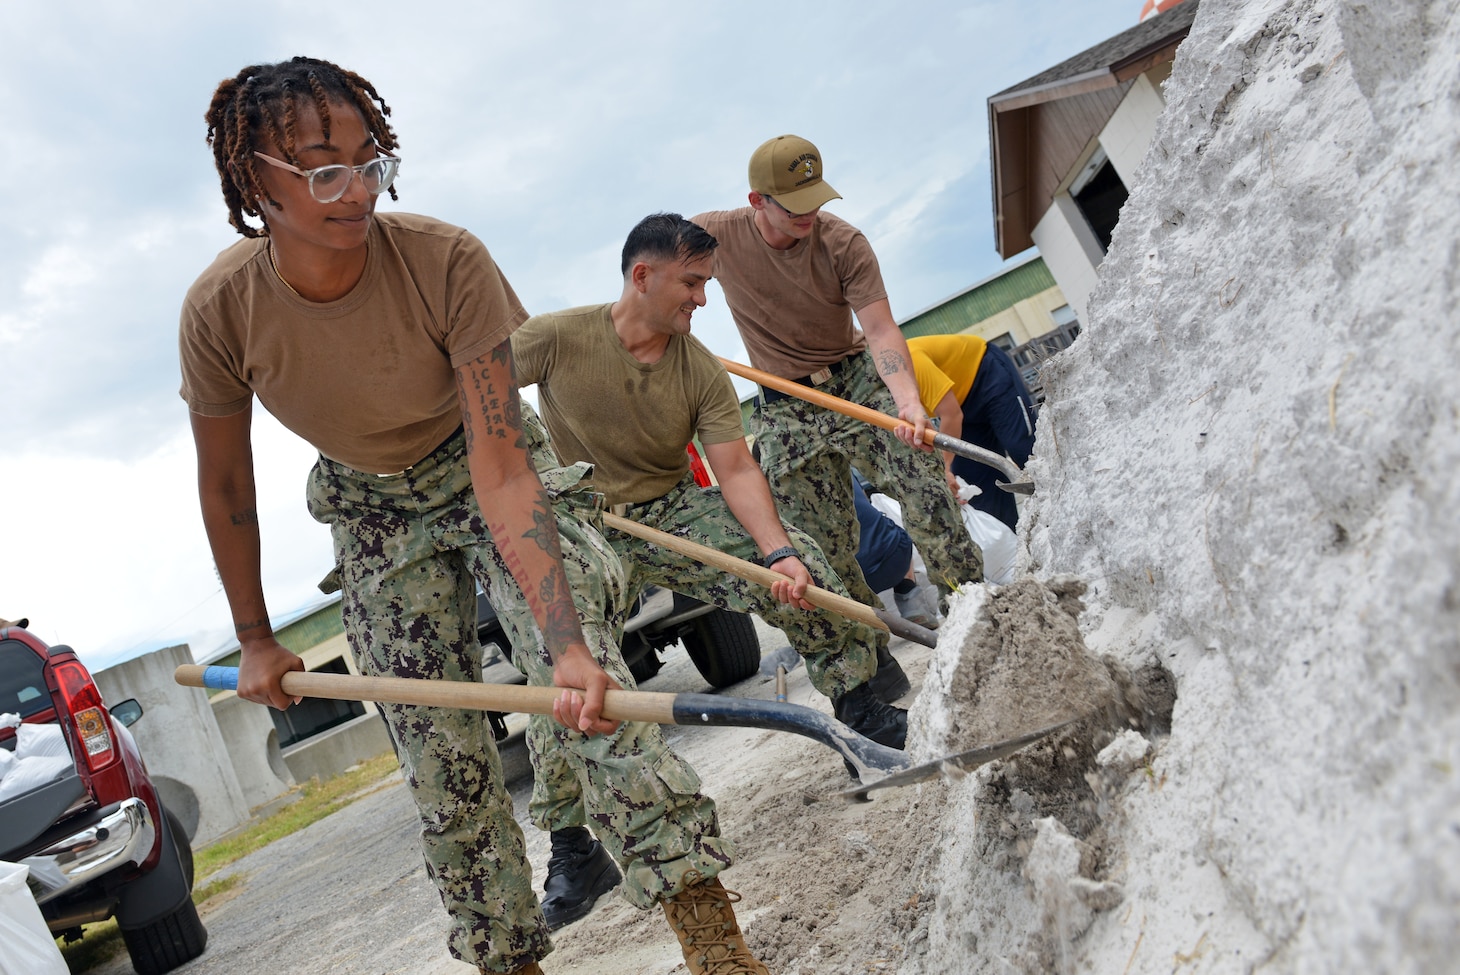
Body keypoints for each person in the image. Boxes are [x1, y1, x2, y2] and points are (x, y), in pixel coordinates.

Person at [180, 58, 767, 975]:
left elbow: (499, 465)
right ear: (257, 178)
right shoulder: (221, 310)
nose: (357, 191)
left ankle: (717, 948)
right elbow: (227, 487)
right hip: (372, 508)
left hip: (481, 459)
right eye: (324, 169)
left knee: (596, 699)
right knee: (442, 763)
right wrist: (256, 637)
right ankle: (509, 961)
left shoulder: (444, 257)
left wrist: (564, 638)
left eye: (372, 162)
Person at [691, 135, 984, 660]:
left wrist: (908, 402)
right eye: (794, 206)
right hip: (784, 401)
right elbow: (664, 271)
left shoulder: (843, 242)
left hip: (854, 378)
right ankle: (867, 658)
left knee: (926, 488)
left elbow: (880, 328)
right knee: (811, 537)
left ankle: (976, 616)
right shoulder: (715, 234)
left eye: (816, 199)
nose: (810, 214)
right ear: (758, 200)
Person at [907, 334, 1038, 531]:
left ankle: (1061, 506)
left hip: (987, 373)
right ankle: (1009, 544)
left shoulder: (910, 360)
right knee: (975, 479)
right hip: (962, 406)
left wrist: (945, 467)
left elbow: (951, 415)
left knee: (1025, 451)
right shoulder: (884, 394)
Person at [850, 472, 940, 630]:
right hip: (891, 559)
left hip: (845, 583)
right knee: (893, 532)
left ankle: (866, 627)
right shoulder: (837, 460)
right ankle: (910, 600)